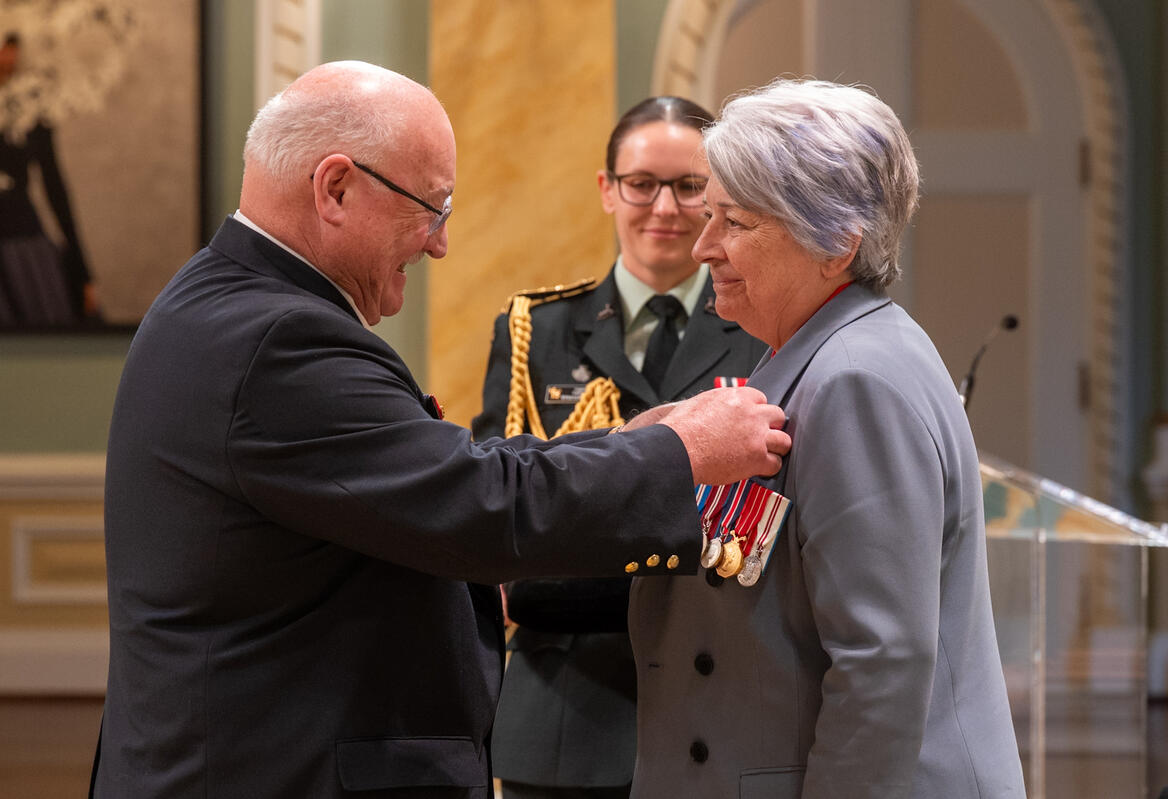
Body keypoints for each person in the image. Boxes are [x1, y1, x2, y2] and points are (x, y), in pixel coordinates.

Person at [92, 61, 791, 799]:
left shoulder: (233, 304)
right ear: (335, 188)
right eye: (432, 206)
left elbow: (452, 467)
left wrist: (630, 440)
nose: (439, 244)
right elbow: (477, 503)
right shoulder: (279, 340)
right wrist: (680, 454)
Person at [627, 79, 1026, 798]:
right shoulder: (814, 352)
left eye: (736, 223)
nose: (706, 245)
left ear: (836, 245)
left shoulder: (855, 378)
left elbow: (881, 661)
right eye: (709, 215)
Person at [473, 97, 767, 799]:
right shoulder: (534, 331)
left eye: (690, 185)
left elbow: (757, 545)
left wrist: (575, 558)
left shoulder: (763, 330)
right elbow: (500, 542)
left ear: (719, 194)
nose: (664, 207)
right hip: (568, 717)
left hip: (723, 703)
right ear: (608, 190)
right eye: (642, 183)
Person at [0, 31, 98, 326]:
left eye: (13, 46)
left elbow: (54, 185)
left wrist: (83, 272)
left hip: (22, 242)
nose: (8, 56)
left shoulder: (32, 101)